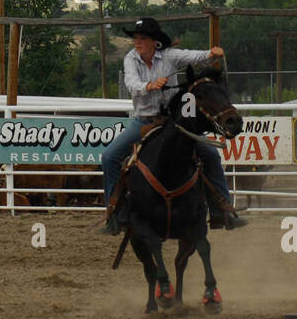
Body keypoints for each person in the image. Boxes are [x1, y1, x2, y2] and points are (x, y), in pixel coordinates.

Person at [101, 17, 247, 234]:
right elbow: (132, 84)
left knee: (210, 155)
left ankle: (222, 210)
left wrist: (210, 53)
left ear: (154, 41)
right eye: (135, 38)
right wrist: (150, 85)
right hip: (144, 121)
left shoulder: (169, 56)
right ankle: (116, 215)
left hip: (172, 121)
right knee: (109, 157)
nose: (137, 42)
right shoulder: (131, 59)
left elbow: (192, 55)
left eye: (142, 38)